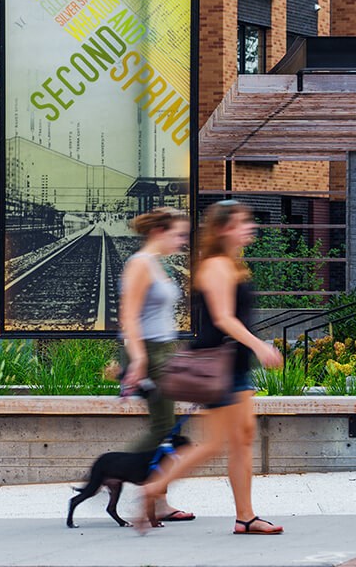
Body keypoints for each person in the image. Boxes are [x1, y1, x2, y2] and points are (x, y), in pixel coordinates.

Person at [138, 199, 285, 534]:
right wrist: (259, 345)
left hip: (234, 365)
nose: (250, 227)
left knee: (242, 438)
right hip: (220, 366)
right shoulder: (216, 265)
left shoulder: (232, 264)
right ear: (222, 229)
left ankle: (245, 517)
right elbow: (222, 318)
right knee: (216, 443)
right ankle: (151, 488)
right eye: (242, 222)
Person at [118, 206, 195, 523]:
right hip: (148, 353)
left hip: (163, 350)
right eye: (178, 234)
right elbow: (129, 317)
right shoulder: (139, 265)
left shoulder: (155, 264)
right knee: (163, 428)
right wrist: (138, 359)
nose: (182, 241)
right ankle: (120, 472)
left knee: (164, 426)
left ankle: (155, 494)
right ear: (158, 232)